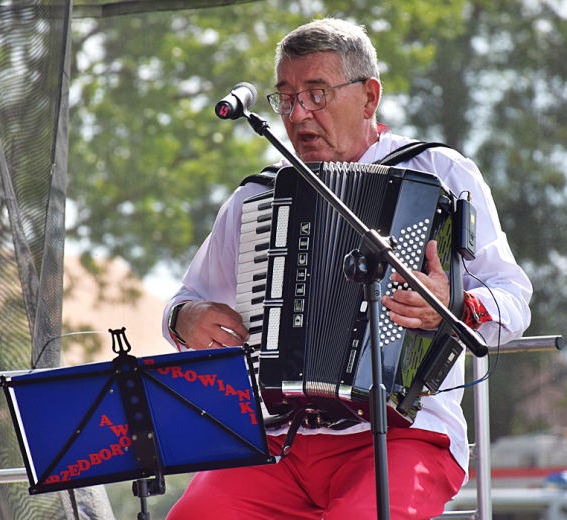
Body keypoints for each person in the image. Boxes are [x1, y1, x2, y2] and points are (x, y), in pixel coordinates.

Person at [161, 18, 531, 520]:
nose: (298, 114)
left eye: (316, 94)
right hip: (279, 444)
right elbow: (185, 301)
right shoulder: (257, 198)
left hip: (406, 438)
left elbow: (513, 300)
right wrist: (186, 318)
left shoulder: (439, 172)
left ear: (369, 97)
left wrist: (453, 304)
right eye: (286, 98)